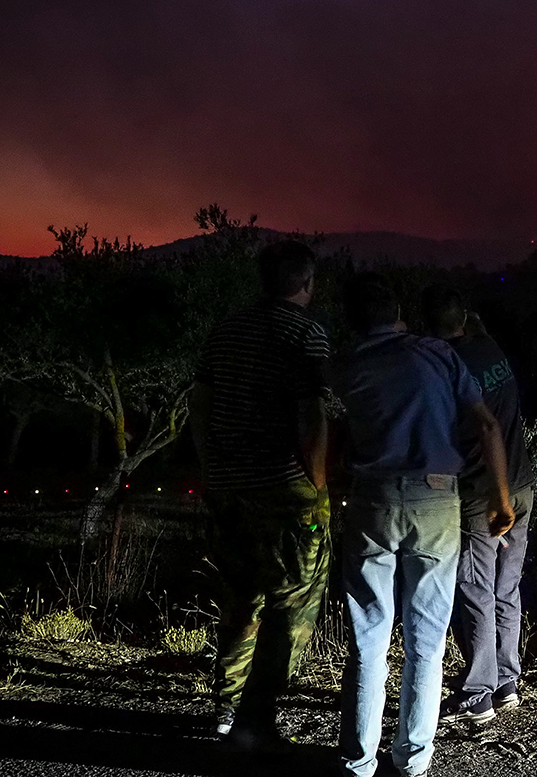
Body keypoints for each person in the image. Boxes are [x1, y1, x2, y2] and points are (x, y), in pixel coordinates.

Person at [338, 273, 514, 777]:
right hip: (437, 499)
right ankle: (412, 762)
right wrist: (501, 498)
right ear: (398, 314)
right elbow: (486, 423)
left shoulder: (347, 364)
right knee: (427, 640)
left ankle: (358, 763)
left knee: (369, 637)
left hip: (371, 498)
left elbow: (328, 423)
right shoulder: (439, 354)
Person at [189, 239, 331, 750]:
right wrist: (317, 485)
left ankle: (226, 705)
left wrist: (211, 468)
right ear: (308, 284)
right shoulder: (307, 335)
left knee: (237, 599)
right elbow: (312, 415)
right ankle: (259, 712)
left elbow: (199, 404)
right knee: (294, 600)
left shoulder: (225, 329)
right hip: (284, 490)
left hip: (227, 486)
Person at [420, 286, 535, 726]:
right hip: (523, 483)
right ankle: (506, 680)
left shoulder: (446, 365)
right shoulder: (490, 348)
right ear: (465, 318)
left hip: (483, 494)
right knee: (507, 587)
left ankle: (476, 692)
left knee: (474, 589)